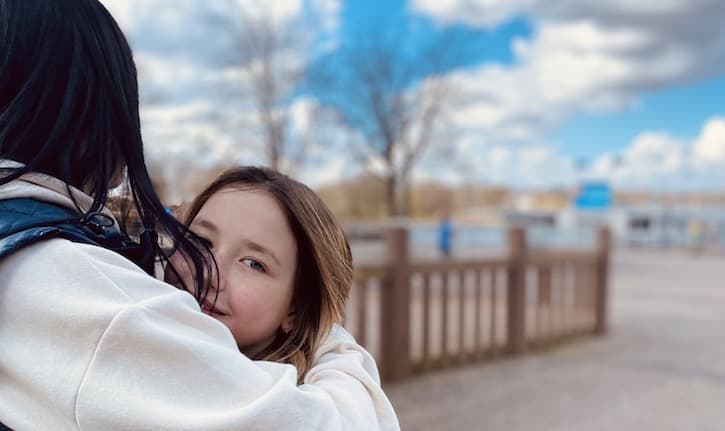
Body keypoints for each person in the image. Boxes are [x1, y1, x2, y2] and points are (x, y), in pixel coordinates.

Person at [0, 1, 398, 429]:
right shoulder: (90, 296)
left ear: (296, 309)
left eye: (254, 262)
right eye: (200, 241)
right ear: (83, 115)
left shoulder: (48, 259)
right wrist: (335, 344)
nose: (212, 269)